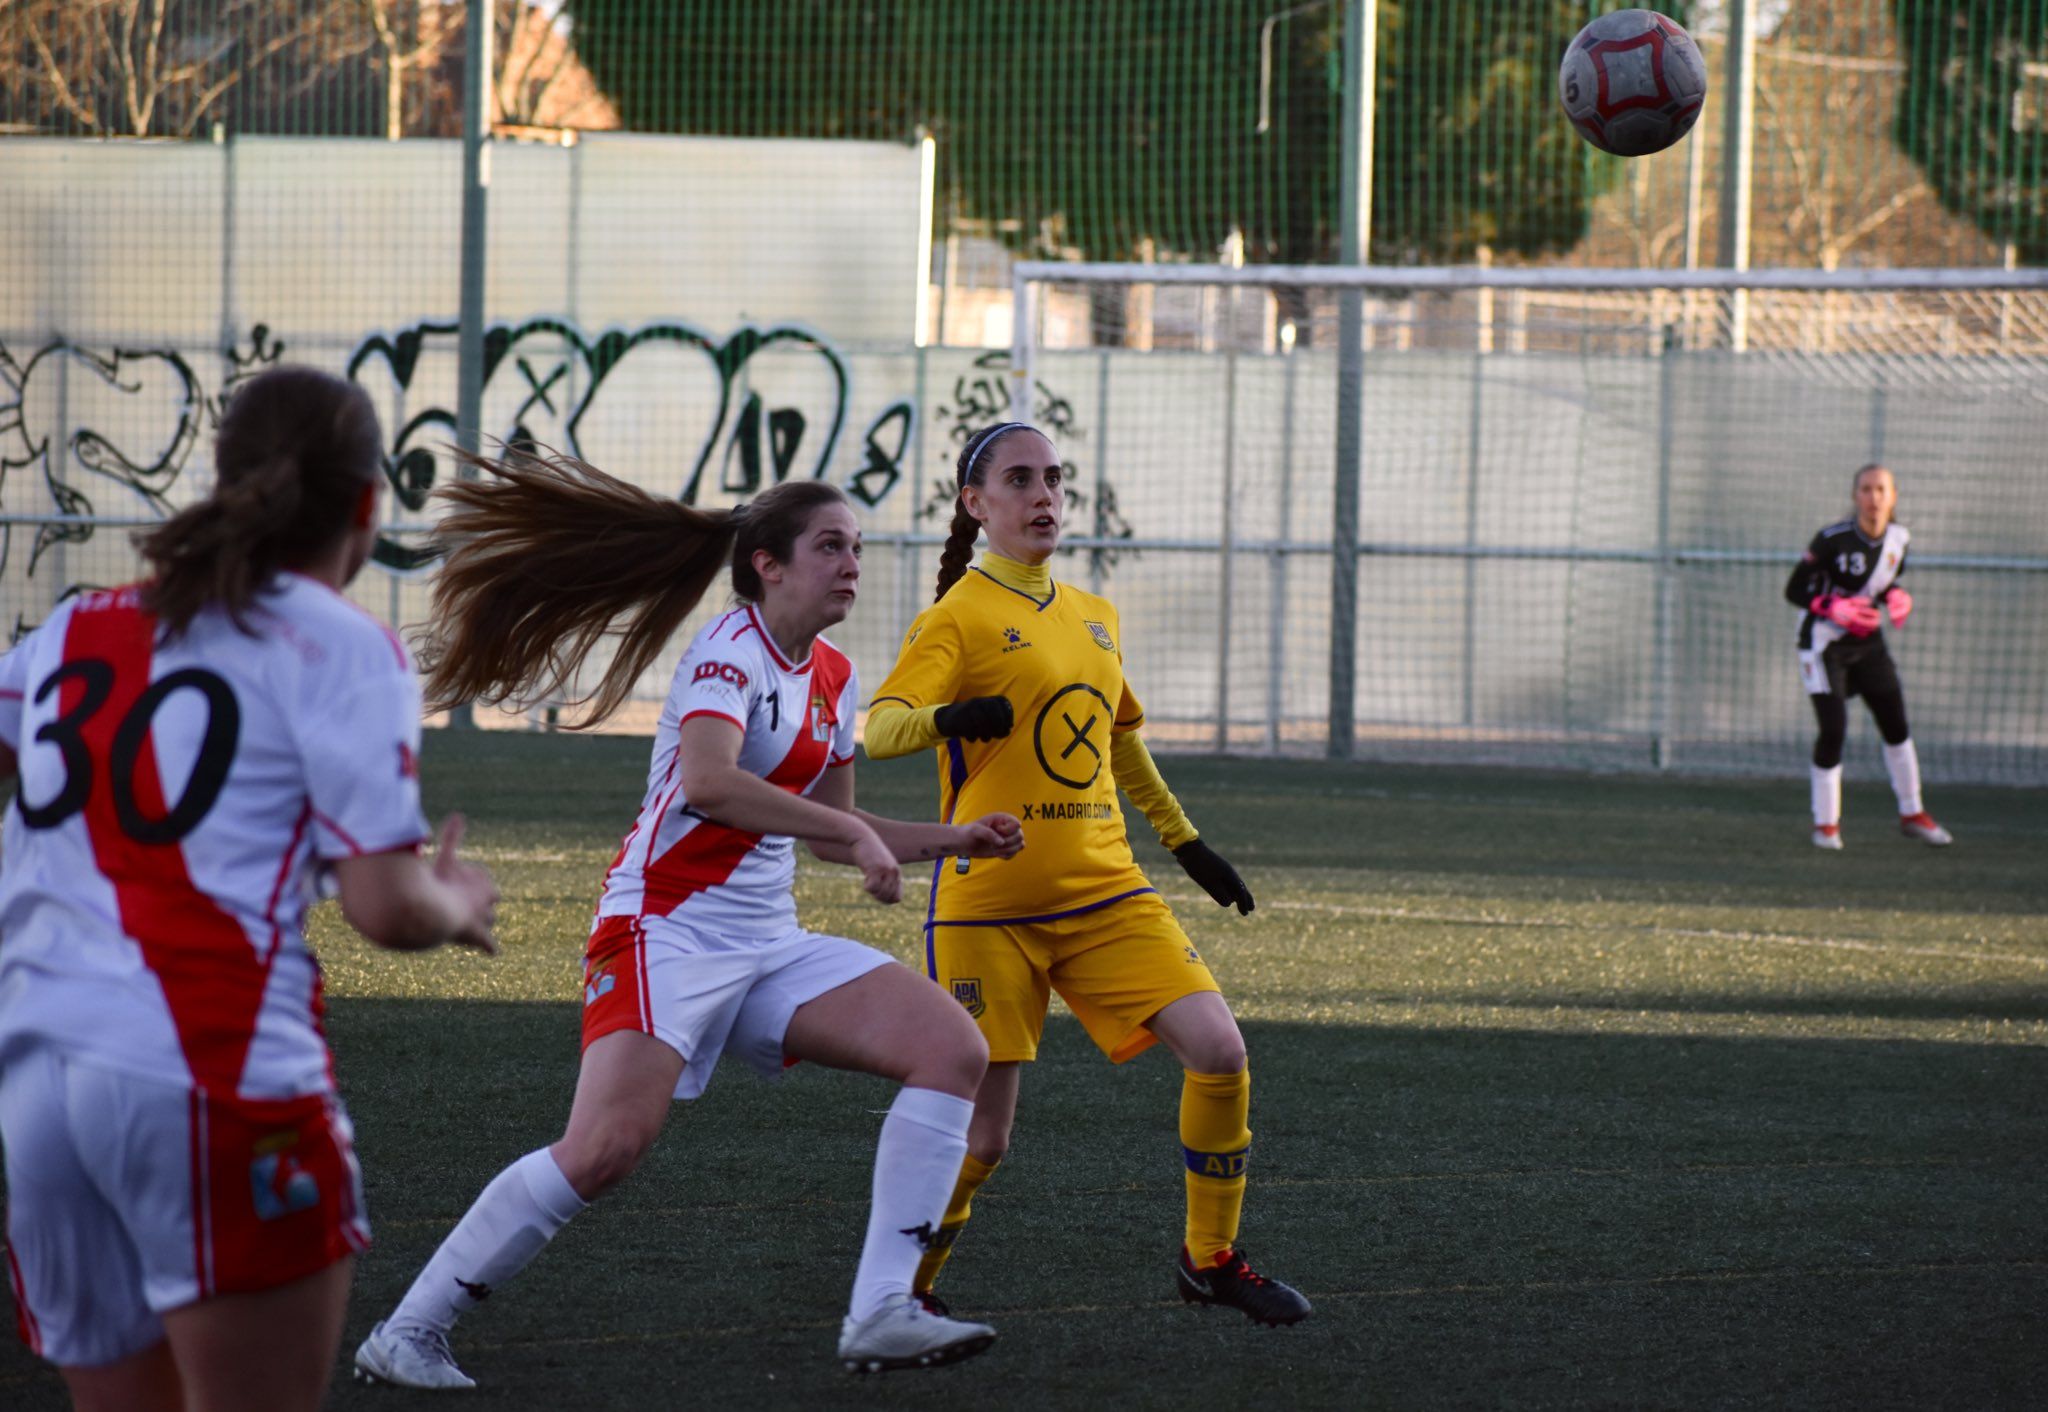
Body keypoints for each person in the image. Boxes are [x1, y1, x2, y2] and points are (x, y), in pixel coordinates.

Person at [353, 451, 1026, 1389]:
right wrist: (851, 835)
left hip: (764, 943)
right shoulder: (726, 651)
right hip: (660, 928)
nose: (852, 563)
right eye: (830, 546)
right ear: (769, 565)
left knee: (953, 1049)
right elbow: (711, 786)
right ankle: (408, 1331)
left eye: (857, 547)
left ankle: (882, 1309)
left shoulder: (833, 673)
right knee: (604, 1151)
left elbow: (841, 833)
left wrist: (956, 838)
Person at [0, 365, 500, 1412]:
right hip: (207, 1067)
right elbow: (383, 904)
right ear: (367, 504)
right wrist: (454, 901)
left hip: (37, 1081)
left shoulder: (71, 628)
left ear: (226, 478)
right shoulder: (339, 643)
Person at [863, 421, 1311, 1327]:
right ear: (975, 503)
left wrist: (1185, 843)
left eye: (1055, 480)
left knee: (1221, 1051)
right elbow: (880, 729)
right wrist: (956, 718)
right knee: (984, 1135)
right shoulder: (956, 617)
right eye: (1020, 480)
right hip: (989, 911)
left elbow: (1117, 742)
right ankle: (901, 1297)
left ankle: (1210, 1259)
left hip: (1108, 893)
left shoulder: (1096, 614)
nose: (1044, 497)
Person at [1784, 462, 1952, 850]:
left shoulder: (1898, 539)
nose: (1873, 498)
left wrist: (1895, 596)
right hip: (1823, 643)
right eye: (1865, 489)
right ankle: (1826, 825)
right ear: (1854, 496)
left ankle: (1912, 813)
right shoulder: (1831, 539)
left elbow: (1885, 585)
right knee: (1834, 729)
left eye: (1881, 489)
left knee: (1895, 724)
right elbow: (1793, 590)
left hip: (1868, 643)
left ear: (1893, 496)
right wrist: (1829, 605)